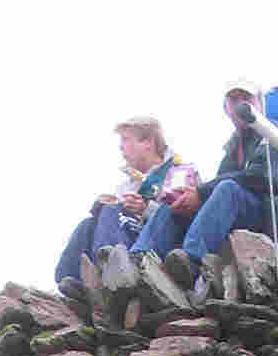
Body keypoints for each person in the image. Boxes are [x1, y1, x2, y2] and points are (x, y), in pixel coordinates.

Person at [127, 78, 278, 294]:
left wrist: (201, 192)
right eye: (234, 100)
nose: (241, 104)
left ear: (260, 104)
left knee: (226, 189)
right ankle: (138, 259)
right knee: (175, 204)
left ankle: (190, 259)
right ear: (226, 108)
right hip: (250, 214)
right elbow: (217, 194)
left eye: (247, 98)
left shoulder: (273, 133)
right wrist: (191, 199)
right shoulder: (233, 148)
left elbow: (264, 178)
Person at [54, 117, 188, 290]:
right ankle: (69, 280)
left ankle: (113, 270)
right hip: (128, 236)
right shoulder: (127, 184)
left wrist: (145, 209)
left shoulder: (179, 173)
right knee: (89, 223)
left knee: (110, 212)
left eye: (126, 140)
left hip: (157, 244)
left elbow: (184, 216)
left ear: (148, 142)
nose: (120, 147)